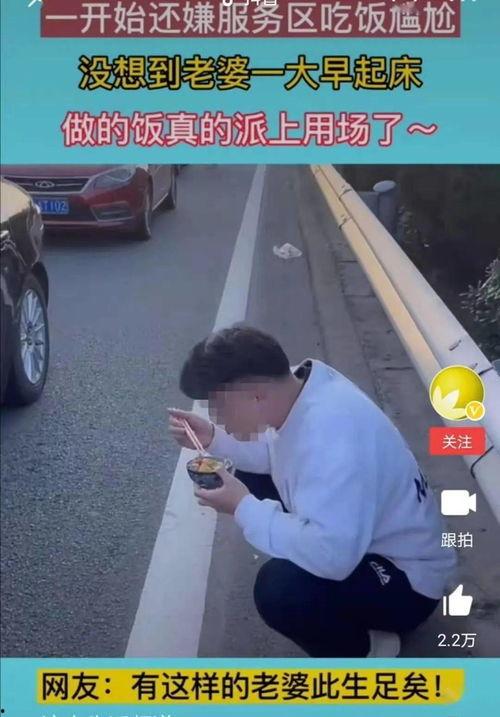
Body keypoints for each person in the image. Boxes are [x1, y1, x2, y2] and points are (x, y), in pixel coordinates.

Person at [168, 325, 456, 657]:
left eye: (219, 407)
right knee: (246, 475)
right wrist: (212, 438)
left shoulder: (333, 441)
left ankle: (368, 651)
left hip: (407, 581)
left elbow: (334, 558)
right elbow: (273, 453)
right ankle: (328, 592)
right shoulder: (297, 387)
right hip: (365, 538)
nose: (217, 417)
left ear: (256, 396)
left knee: (280, 590)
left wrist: (242, 507)